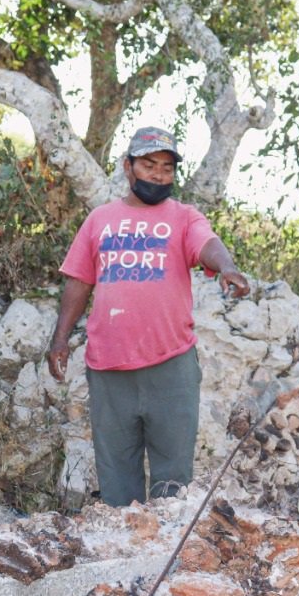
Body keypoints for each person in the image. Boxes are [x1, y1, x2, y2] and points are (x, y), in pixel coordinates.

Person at [47, 126, 250, 507]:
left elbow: (207, 243)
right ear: (128, 167)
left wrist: (227, 267)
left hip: (170, 366)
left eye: (167, 168)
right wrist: (59, 339)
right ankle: (123, 541)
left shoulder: (184, 217)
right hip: (108, 367)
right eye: (149, 165)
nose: (158, 175)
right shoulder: (99, 219)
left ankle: (167, 540)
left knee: (173, 482)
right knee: (116, 479)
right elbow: (79, 281)